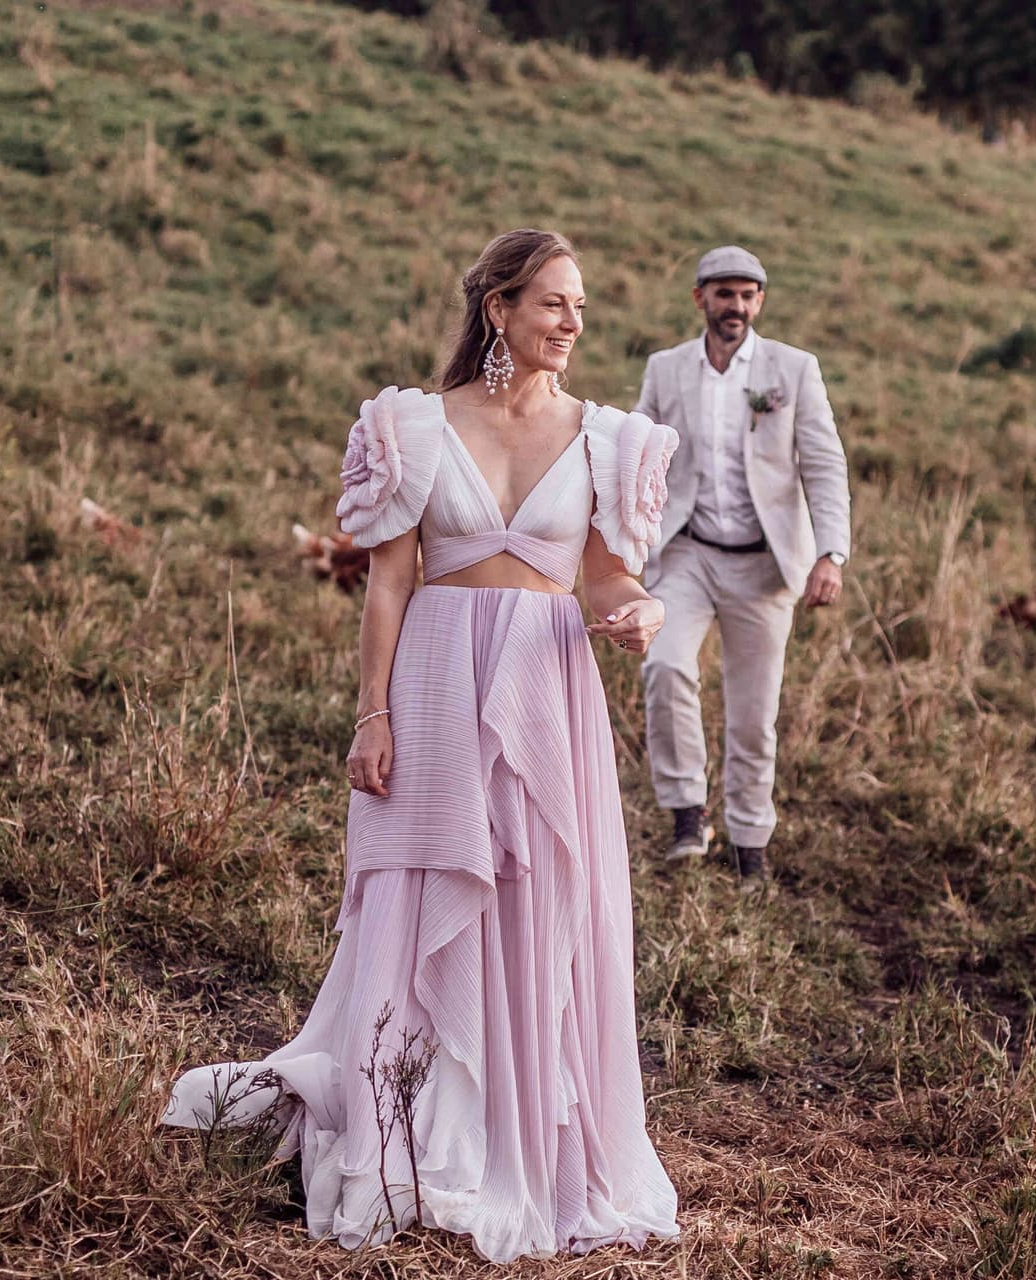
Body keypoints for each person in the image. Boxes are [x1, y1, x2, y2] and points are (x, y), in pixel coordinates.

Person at [163, 229, 682, 1262]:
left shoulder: (610, 440)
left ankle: (519, 1138)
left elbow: (608, 577)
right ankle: (413, 1126)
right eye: (554, 303)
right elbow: (390, 581)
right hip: (435, 684)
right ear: (498, 307)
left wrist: (644, 614)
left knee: (536, 902)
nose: (574, 323)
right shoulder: (412, 426)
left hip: (546, 687)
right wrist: (373, 712)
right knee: (419, 904)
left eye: (581, 307)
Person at [633, 245, 851, 885]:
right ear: (699, 297)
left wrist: (830, 553)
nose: (736, 307)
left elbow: (823, 463)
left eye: (748, 295)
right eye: (724, 293)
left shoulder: (794, 369)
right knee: (666, 665)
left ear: (761, 301)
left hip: (764, 566)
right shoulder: (666, 369)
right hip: (688, 553)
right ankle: (686, 812)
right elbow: (640, 458)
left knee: (754, 714)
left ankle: (750, 840)